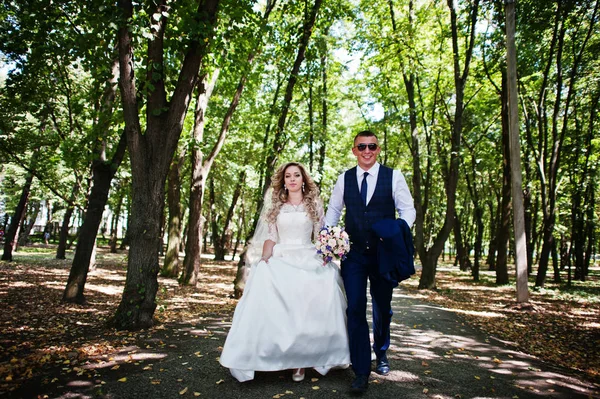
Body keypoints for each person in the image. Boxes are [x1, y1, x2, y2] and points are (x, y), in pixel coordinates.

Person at [220, 162, 350, 383]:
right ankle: (274, 356)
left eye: (296, 175)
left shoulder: (314, 203)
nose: (292, 179)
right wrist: (264, 258)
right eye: (288, 176)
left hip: (309, 254)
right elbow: (271, 237)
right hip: (283, 254)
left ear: (303, 179)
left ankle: (303, 360)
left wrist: (327, 255)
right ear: (283, 180)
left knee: (324, 284)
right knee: (268, 283)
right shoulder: (276, 205)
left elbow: (321, 235)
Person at [325, 130, 416, 393]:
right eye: (362, 146)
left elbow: (408, 210)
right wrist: (327, 239)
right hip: (353, 254)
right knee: (354, 308)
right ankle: (361, 370)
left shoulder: (393, 176)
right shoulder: (344, 179)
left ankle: (382, 351)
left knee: (382, 306)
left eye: (372, 146)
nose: (367, 151)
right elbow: (333, 211)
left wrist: (398, 230)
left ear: (378, 149)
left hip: (383, 254)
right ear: (354, 150)